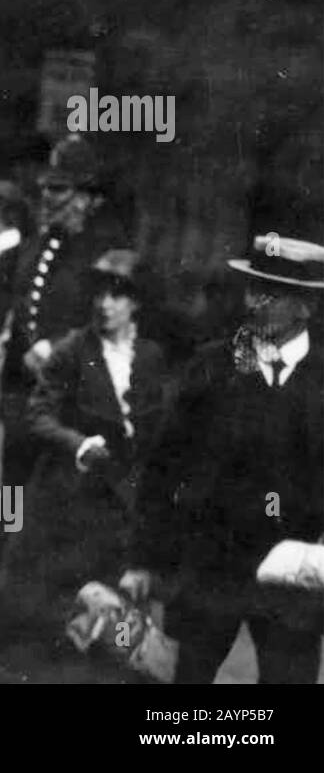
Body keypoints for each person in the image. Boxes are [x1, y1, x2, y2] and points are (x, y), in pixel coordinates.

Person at [0, 251, 166, 683]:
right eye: (99, 293)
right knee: (18, 598)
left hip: (118, 514)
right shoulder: (72, 349)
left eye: (117, 295)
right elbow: (38, 415)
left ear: (137, 303)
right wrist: (79, 444)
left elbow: (154, 437)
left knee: (113, 621)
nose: (104, 304)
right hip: (62, 504)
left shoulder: (150, 357)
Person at [130, 234, 324, 684]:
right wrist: (142, 558)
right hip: (210, 566)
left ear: (307, 306)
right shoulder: (211, 367)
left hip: (293, 578)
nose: (256, 303)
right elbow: (163, 466)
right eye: (253, 289)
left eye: (273, 294)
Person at [0, 135, 129, 490]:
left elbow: (110, 321)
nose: (46, 197)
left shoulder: (107, 253)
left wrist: (55, 345)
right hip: (26, 395)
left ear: (86, 199)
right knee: (14, 495)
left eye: (58, 190)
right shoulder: (36, 246)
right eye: (44, 188)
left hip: (74, 402)